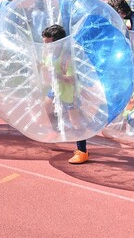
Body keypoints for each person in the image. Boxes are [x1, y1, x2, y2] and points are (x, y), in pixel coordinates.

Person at [41, 24, 88, 164]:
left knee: (76, 122)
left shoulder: (67, 58)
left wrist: (58, 75)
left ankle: (82, 151)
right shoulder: (49, 54)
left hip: (70, 93)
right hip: (56, 89)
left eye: (47, 43)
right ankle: (56, 129)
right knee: (46, 105)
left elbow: (73, 79)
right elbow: (47, 70)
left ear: (57, 42)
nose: (45, 46)